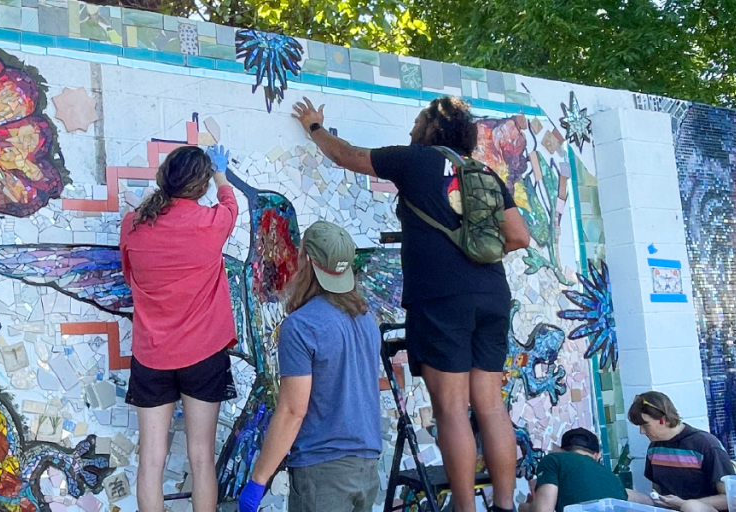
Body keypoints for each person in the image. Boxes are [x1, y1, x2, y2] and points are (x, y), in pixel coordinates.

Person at [290, 96, 531, 512]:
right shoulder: (485, 173)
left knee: (452, 407)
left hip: (441, 297)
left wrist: (314, 127)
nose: (412, 128)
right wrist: (474, 255)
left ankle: (464, 509)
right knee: (491, 403)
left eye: (418, 120)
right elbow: (519, 236)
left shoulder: (414, 160)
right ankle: (505, 506)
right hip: (493, 293)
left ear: (432, 129)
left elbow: (346, 155)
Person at [119, 145, 239, 512]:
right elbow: (231, 205)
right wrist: (221, 173)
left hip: (151, 355)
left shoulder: (133, 224)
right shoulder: (212, 223)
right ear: (200, 185)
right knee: (201, 456)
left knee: (151, 460)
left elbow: (129, 276)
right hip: (203, 354)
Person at [237, 221, 382, 512]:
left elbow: (293, 409)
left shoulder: (301, 326)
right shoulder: (367, 320)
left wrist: (257, 480)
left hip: (323, 474)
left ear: (306, 261)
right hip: (367, 470)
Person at [628, 391, 735, 512]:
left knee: (691, 507)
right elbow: (657, 490)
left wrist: (682, 504)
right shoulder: (654, 448)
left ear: (663, 420)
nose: (642, 432)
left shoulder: (706, 444)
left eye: (646, 426)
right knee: (626, 495)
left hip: (700, 509)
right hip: (668, 508)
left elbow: (729, 498)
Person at [520, 428, 646, 512]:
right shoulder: (611, 475)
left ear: (562, 451)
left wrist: (525, 507)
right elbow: (639, 498)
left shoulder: (554, 460)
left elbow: (543, 510)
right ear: (597, 455)